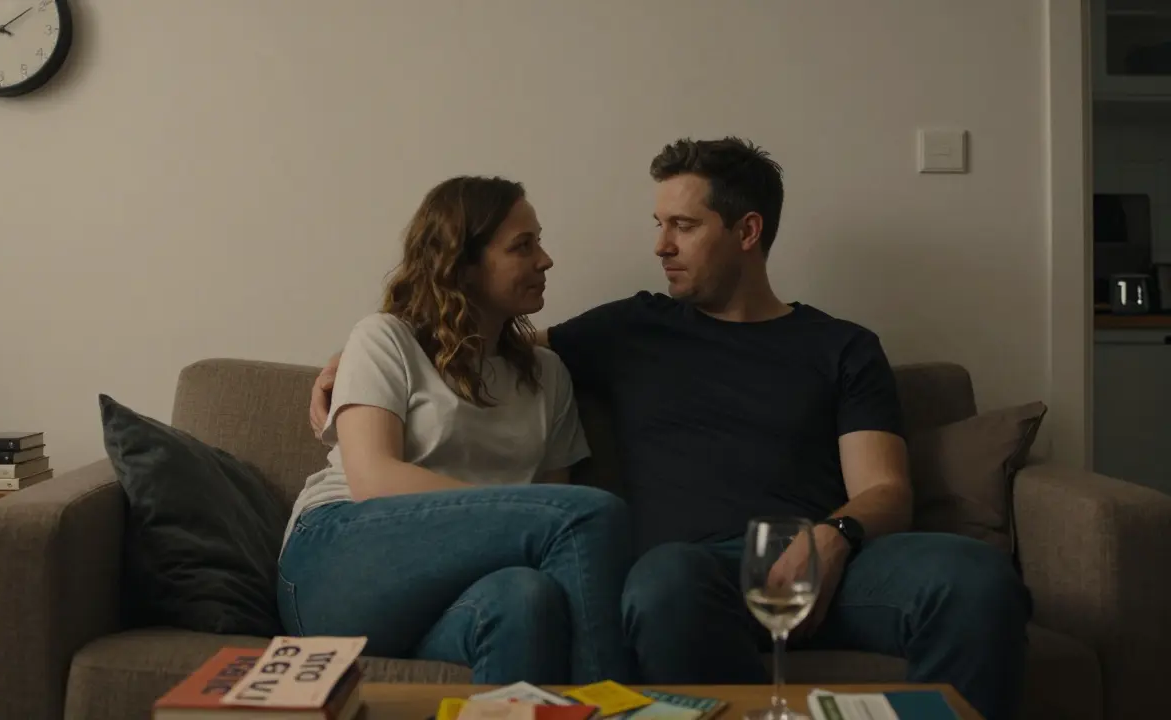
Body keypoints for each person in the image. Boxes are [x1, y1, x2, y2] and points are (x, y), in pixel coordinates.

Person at [311, 138, 1032, 720]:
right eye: (658, 225)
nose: (661, 245)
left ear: (747, 231)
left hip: (824, 562)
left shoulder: (841, 346)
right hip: (692, 572)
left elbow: (884, 489)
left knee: (974, 577)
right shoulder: (630, 328)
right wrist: (359, 358)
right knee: (660, 586)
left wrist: (833, 540)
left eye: (682, 226)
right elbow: (483, 338)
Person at [279, 175, 634, 686]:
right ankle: (614, 707)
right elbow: (373, 480)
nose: (546, 259)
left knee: (524, 599)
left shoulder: (547, 374)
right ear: (462, 265)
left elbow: (548, 523)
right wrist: (515, 515)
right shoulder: (385, 340)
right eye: (523, 246)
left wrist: (523, 522)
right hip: (338, 561)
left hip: (453, 595)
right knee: (592, 514)